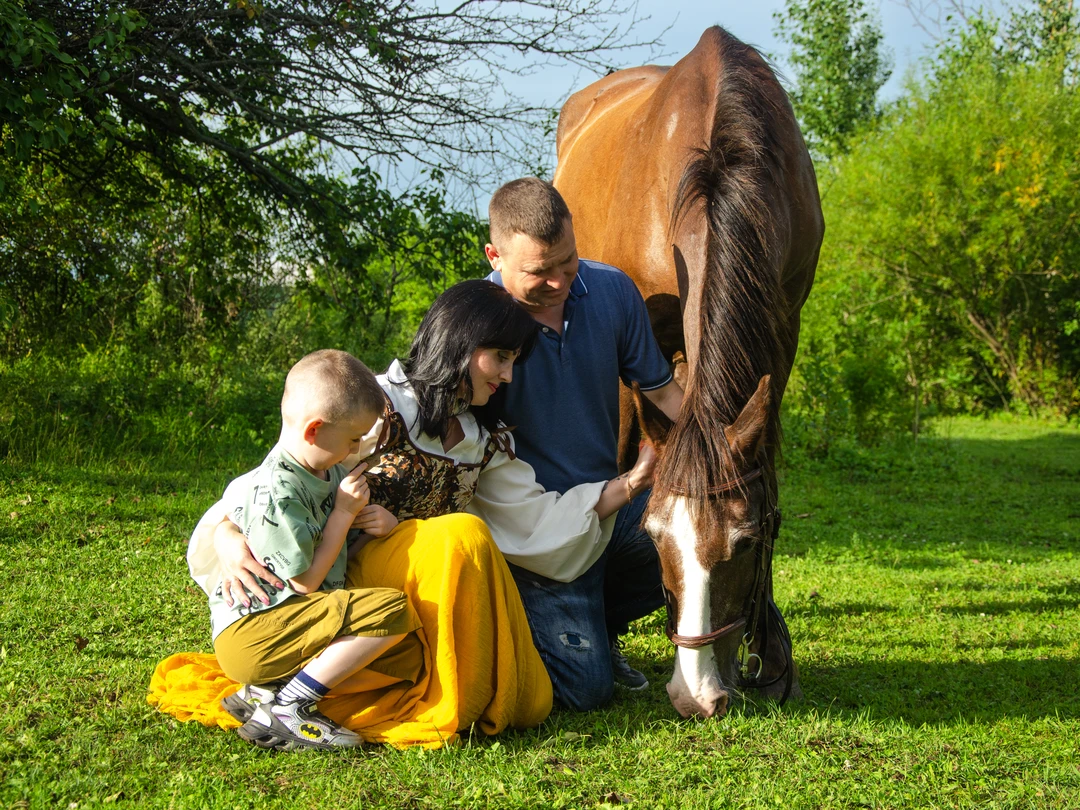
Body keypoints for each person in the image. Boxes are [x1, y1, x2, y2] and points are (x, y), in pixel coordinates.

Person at [165, 280, 654, 744]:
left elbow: (533, 516)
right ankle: (295, 691)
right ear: (461, 343)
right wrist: (228, 532)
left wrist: (632, 482)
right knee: (459, 534)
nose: (507, 375)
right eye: (501, 357)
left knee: (467, 553)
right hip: (348, 576)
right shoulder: (378, 408)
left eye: (513, 361)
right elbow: (283, 475)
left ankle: (296, 686)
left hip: (425, 589)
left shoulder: (482, 440)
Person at [484, 177, 684, 709]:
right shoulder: (476, 319)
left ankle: (597, 624)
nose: (558, 283)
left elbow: (662, 391)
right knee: (585, 691)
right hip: (535, 532)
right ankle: (529, 623)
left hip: (605, 505)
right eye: (538, 272)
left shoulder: (612, 290)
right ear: (495, 257)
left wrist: (719, 447)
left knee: (686, 523)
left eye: (567, 262)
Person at [207, 349, 421, 751]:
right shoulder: (278, 489)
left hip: (294, 620)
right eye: (353, 439)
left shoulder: (327, 470)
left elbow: (336, 551)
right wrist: (343, 513)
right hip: (256, 630)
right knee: (392, 610)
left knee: (407, 654)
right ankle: (288, 707)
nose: (356, 449)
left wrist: (378, 525)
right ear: (314, 430)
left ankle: (268, 692)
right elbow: (305, 582)